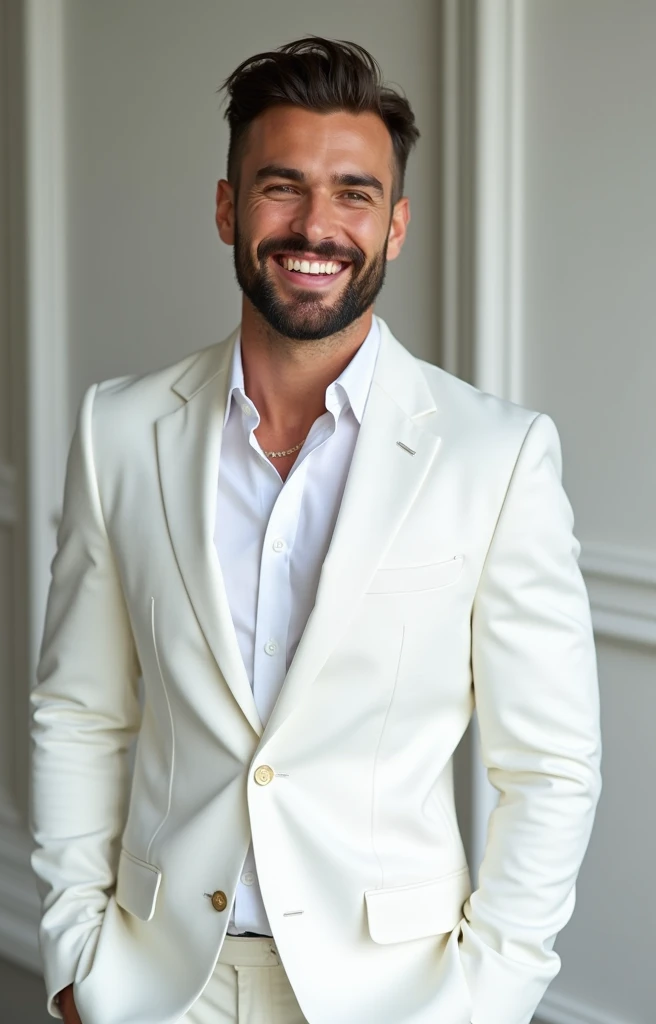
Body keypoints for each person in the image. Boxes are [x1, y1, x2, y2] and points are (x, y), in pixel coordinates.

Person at [30, 36, 602, 1024]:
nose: (315, 225)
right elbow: (79, 712)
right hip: (160, 986)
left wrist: (487, 1001)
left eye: (353, 193)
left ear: (395, 225)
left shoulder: (494, 455)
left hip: (395, 996)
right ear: (227, 207)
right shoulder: (115, 431)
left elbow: (548, 766)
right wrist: (78, 957)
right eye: (281, 186)